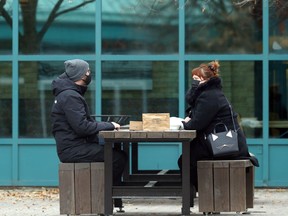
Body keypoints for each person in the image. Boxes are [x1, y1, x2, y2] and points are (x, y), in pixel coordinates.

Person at [51, 59, 127, 209]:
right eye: (87, 71)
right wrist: (110, 125)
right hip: (72, 149)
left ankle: (111, 197)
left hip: (75, 145)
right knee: (117, 158)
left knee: (118, 153)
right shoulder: (70, 96)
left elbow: (82, 125)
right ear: (80, 75)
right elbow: (82, 127)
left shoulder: (69, 94)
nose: (89, 74)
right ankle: (104, 197)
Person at [178, 60, 259, 192]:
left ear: (203, 80)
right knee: (187, 157)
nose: (193, 83)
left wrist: (186, 123)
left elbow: (196, 124)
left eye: (195, 79)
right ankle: (204, 194)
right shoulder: (211, 93)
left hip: (223, 145)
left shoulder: (209, 96)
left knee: (185, 160)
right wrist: (195, 88)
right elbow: (191, 102)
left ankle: (203, 194)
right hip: (223, 141)